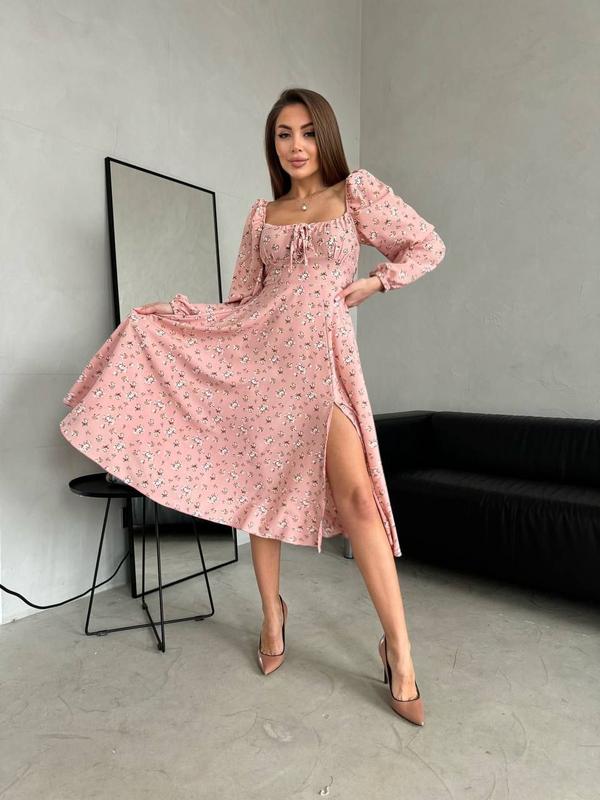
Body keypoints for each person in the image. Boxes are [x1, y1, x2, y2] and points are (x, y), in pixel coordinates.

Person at [60, 87, 445, 726]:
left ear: (325, 135)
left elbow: (426, 245)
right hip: (263, 367)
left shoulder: (355, 193)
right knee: (262, 493)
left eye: (307, 132)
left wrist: (378, 281)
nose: (296, 146)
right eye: (283, 135)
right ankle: (273, 616)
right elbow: (243, 303)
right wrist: (179, 314)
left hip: (325, 365)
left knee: (358, 501)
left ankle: (399, 651)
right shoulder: (261, 216)